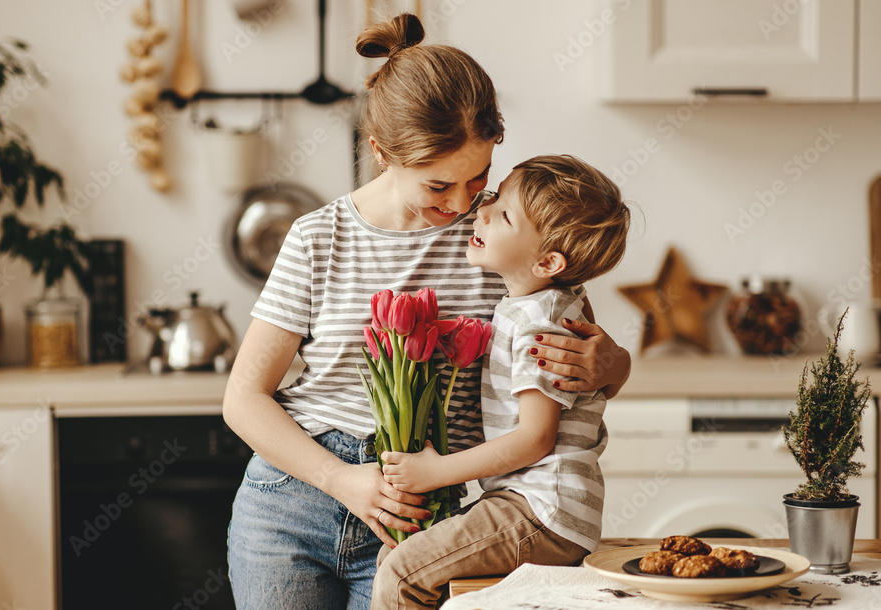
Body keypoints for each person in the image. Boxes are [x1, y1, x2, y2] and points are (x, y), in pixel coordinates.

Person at [222, 14, 632, 610]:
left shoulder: (505, 242)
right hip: (292, 504)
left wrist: (614, 364)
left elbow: (572, 370)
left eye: (480, 177)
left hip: (426, 518)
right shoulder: (319, 238)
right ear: (381, 152)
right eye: (438, 185)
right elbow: (243, 398)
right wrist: (344, 482)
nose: (464, 203)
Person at [371, 154, 632, 609]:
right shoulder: (552, 300)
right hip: (537, 507)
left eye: (504, 214)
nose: (482, 210)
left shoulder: (539, 323)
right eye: (493, 197)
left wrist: (434, 472)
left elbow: (535, 439)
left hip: (542, 510)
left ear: (548, 261)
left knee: (400, 576)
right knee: (396, 558)